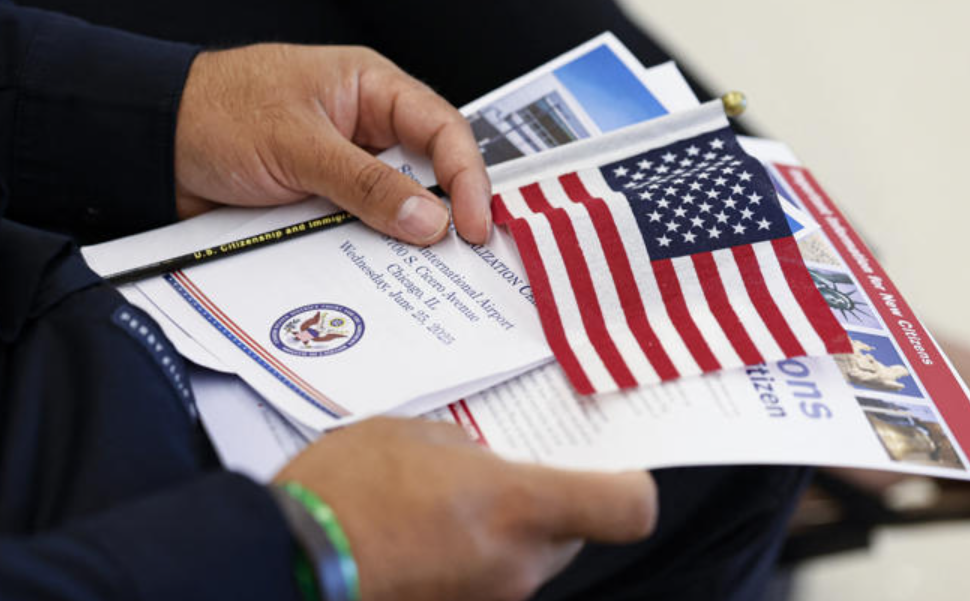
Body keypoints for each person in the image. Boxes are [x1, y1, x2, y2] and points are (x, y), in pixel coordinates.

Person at [0, 1, 810, 599]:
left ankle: (803, 235)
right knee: (739, 469)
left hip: (64, 280)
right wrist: (305, 547)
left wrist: (151, 111)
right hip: (115, 506)